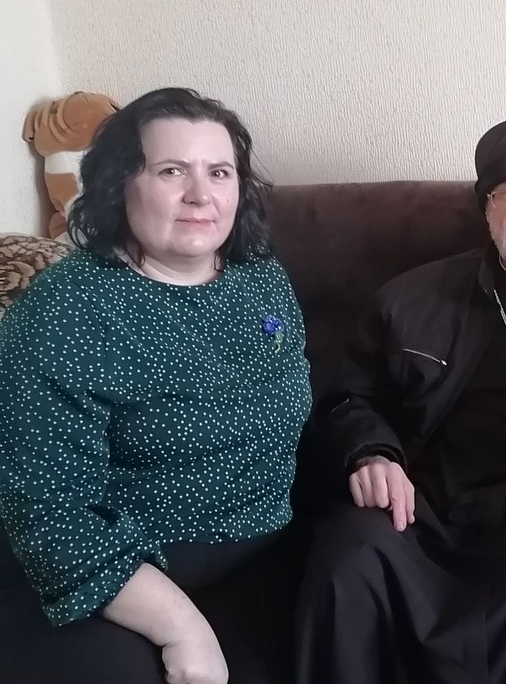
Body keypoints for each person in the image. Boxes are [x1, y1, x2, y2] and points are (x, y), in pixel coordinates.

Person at [294, 111, 506, 684]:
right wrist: (372, 454)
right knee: (347, 558)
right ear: (486, 208)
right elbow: (348, 396)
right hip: (423, 499)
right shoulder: (411, 298)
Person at [0, 87, 312, 684]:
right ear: (120, 184)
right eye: (171, 171)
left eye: (219, 172)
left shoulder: (262, 278)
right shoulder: (63, 312)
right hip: (108, 570)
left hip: (261, 547)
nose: (200, 194)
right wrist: (181, 628)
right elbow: (49, 513)